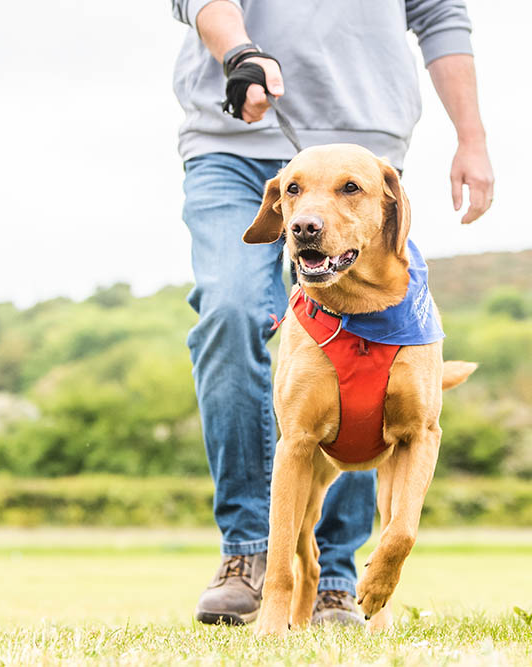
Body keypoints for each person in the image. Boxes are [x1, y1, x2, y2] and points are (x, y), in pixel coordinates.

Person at [169, 0, 494, 626]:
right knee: (230, 310)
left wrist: (472, 137)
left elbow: (441, 15)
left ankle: (338, 578)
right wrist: (239, 51)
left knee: (371, 348)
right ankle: (250, 556)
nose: (305, 218)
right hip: (234, 139)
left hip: (367, 145)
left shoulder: (372, 186)